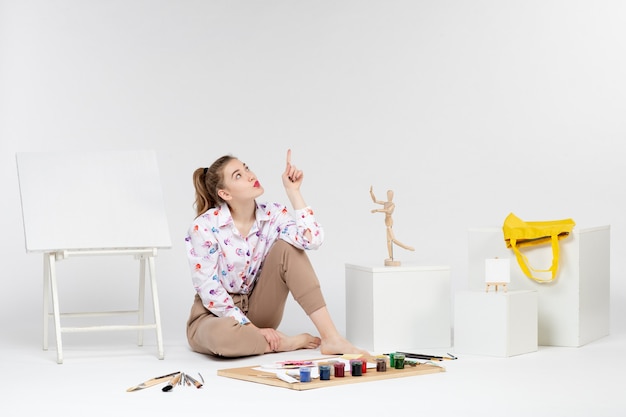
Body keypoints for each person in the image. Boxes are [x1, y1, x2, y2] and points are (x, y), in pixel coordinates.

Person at [185, 149, 368, 358]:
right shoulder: (204, 227)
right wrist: (250, 329)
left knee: (288, 248)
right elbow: (208, 288)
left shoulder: (273, 214)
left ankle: (331, 338)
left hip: (259, 309)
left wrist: (293, 191)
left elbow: (312, 240)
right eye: (238, 175)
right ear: (225, 194)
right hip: (214, 317)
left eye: (246, 168)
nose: (250, 175)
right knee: (223, 337)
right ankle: (283, 343)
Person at [370, 186, 414, 265]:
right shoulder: (385, 203)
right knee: (388, 241)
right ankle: (390, 257)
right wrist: (371, 193)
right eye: (388, 194)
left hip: (389, 223)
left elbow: (388, 211)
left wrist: (377, 210)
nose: (389, 196)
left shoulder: (392, 205)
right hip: (386, 223)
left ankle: (407, 247)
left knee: (393, 239)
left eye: (391, 195)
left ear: (393, 196)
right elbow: (375, 200)